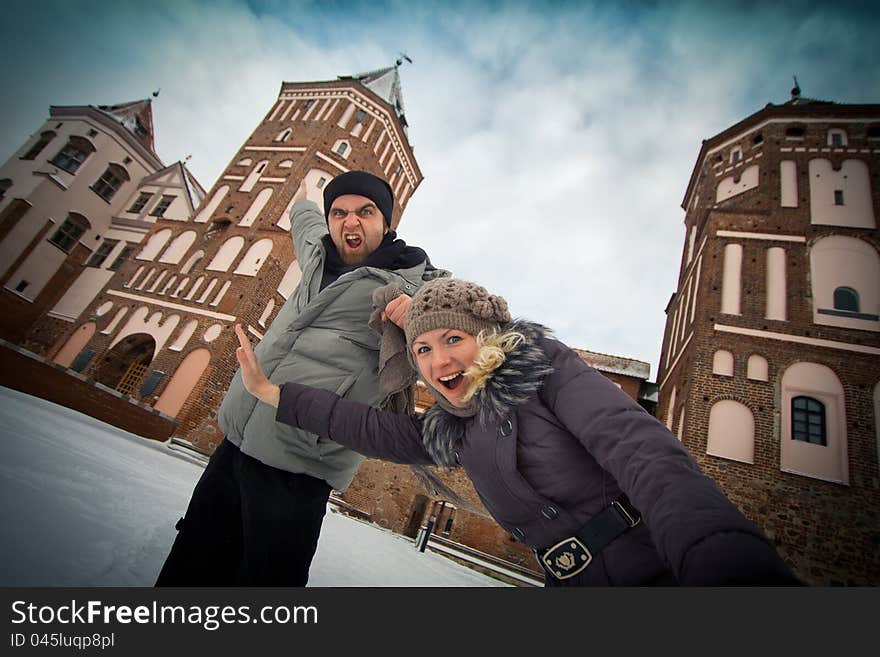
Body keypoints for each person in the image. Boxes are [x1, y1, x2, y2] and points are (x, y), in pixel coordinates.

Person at [233, 278, 802, 586]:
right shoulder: (452, 428)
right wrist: (274, 394)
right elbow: (372, 429)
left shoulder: (547, 370)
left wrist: (720, 560)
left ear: (490, 338)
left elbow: (642, 452)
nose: (436, 360)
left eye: (453, 339)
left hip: (659, 566)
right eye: (423, 350)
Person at [155, 170, 448, 586]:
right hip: (235, 443)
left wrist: (421, 318)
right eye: (339, 212)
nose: (350, 222)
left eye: (366, 212)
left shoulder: (416, 283)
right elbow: (304, 218)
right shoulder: (316, 250)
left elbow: (464, 326)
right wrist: (303, 197)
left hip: (300, 463)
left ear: (386, 223)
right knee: (191, 561)